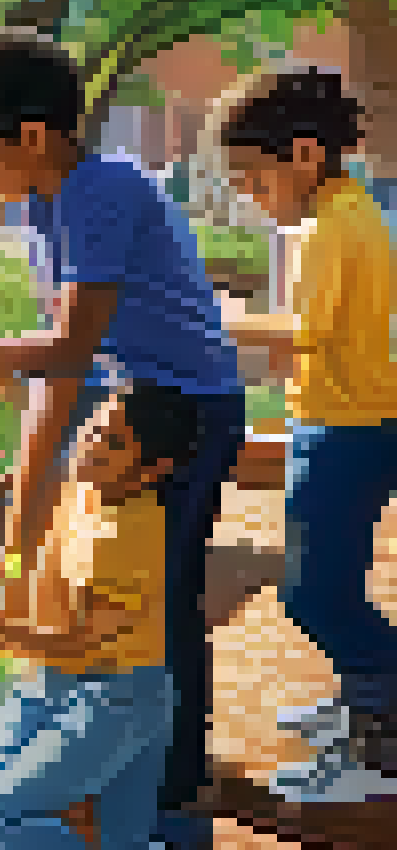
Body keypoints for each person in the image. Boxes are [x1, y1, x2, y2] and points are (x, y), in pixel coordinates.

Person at [0, 30, 244, 849]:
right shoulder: (47, 203)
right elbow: (65, 372)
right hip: (124, 399)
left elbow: (71, 349)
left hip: (183, 413)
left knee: (159, 604)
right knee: (82, 574)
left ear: (35, 136)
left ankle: (170, 800)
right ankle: (112, 776)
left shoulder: (102, 191)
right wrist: (21, 516)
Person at [208, 68, 397, 801]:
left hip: (341, 426)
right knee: (332, 580)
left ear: (306, 156)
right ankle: (363, 698)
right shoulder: (352, 211)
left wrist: (218, 321)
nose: (251, 197)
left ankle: (381, 735)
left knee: (312, 594)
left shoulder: (326, 227)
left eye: (255, 179)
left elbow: (302, 335)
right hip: (356, 417)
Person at [0, 390, 185, 850]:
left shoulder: (126, 539)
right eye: (93, 426)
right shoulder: (81, 495)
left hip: (116, 695)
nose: (89, 443)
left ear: (154, 470)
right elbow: (27, 570)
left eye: (112, 442)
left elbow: (84, 646)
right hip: (52, 681)